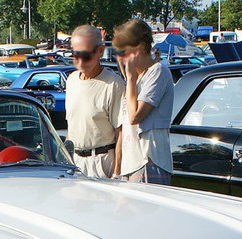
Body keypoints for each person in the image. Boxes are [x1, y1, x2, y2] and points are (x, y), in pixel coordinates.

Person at [114, 19, 174, 185]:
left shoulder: (158, 72)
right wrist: (117, 169)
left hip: (149, 162)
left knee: (147, 211)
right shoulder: (135, 80)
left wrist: (131, 78)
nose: (120, 57)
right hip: (132, 164)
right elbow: (124, 128)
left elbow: (135, 117)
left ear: (139, 47)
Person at [64, 24, 124, 179]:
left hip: (102, 164)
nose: (80, 61)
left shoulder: (113, 84)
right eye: (75, 55)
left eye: (86, 55)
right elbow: (71, 126)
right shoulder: (71, 81)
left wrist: (116, 172)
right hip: (74, 163)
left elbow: (121, 133)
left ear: (100, 51)